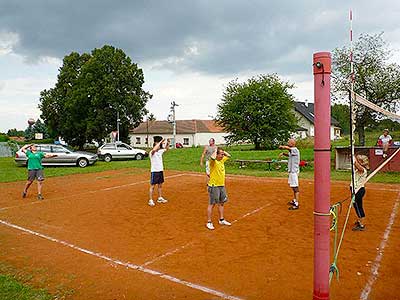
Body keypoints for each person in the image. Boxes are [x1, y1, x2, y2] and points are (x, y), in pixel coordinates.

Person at [206, 147, 232, 230]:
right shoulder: (213, 162)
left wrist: (223, 151)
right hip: (214, 186)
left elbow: (229, 155)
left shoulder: (222, 160)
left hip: (221, 185)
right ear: (216, 154)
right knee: (212, 204)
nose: (222, 155)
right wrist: (215, 150)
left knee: (221, 203)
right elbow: (212, 158)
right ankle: (209, 222)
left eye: (222, 154)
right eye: (221, 154)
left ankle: (221, 219)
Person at [279, 139, 300, 210]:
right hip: (291, 172)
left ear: (292, 143)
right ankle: (294, 200)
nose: (287, 143)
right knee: (293, 186)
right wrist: (283, 154)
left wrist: (283, 147)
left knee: (295, 187)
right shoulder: (292, 151)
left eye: (289, 142)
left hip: (294, 172)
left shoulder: (295, 150)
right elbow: (289, 154)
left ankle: (296, 204)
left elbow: (289, 149)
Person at [148, 138, 170, 207]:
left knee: (160, 185)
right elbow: (154, 149)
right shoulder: (152, 153)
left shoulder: (159, 152)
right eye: (158, 145)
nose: (159, 146)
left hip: (160, 170)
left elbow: (166, 149)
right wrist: (161, 142)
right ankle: (150, 200)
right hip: (154, 171)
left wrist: (168, 143)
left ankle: (160, 198)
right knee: (152, 186)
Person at [351, 154, 370, 231]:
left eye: (359, 160)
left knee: (358, 207)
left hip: (358, 191)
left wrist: (352, 155)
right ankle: (359, 220)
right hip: (355, 190)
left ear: (361, 162)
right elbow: (355, 164)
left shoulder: (362, 170)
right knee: (356, 206)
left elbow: (356, 164)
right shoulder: (358, 169)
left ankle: (361, 224)